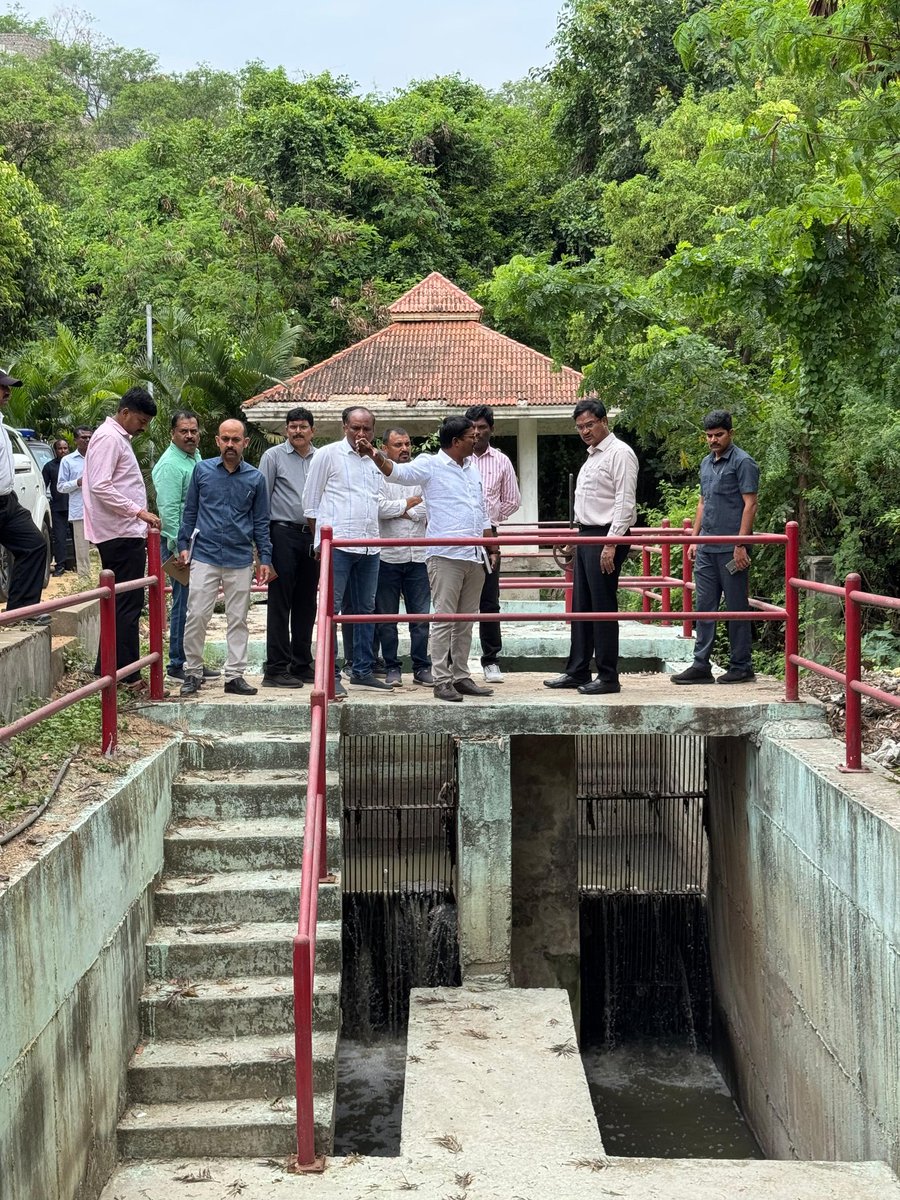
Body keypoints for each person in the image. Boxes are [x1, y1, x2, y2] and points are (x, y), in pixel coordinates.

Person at [358, 416, 496, 703]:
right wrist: (375, 455)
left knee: (466, 620)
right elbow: (396, 473)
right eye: (471, 435)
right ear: (456, 441)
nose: (477, 438)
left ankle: (460, 675)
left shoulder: (472, 468)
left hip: (474, 553)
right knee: (444, 618)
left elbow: (480, 509)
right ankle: (442, 679)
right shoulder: (430, 464)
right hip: (445, 555)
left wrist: (491, 545)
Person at [544, 397, 638, 696]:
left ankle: (609, 676)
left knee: (602, 607)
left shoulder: (619, 453)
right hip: (586, 535)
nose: (585, 430)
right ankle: (578, 669)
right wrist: (577, 539)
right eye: (580, 426)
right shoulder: (592, 456)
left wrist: (611, 543)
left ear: (604, 422)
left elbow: (625, 501)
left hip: (606, 536)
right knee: (581, 606)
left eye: (589, 424)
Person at [178, 418, 273, 697]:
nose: (230, 445)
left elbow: (261, 522)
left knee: (238, 619)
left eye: (236, 440)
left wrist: (264, 558)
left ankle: (234, 676)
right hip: (204, 554)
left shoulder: (255, 478)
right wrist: (183, 544)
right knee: (196, 615)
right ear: (217, 441)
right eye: (225, 439)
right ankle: (193, 672)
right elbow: (190, 511)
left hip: (239, 557)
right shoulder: (202, 471)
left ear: (245, 442)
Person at [302, 406, 392, 695]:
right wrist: (320, 543)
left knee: (365, 609)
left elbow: (377, 501)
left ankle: (363, 670)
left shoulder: (377, 461)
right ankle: (331, 674)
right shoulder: (328, 455)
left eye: (367, 429)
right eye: (356, 428)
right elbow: (311, 501)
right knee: (331, 608)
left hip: (370, 544)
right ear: (345, 427)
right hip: (337, 544)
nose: (361, 434)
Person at [672, 410, 759, 685]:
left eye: (718, 435)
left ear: (730, 433)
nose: (713, 440)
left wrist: (741, 544)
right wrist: (695, 539)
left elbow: (750, 504)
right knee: (704, 607)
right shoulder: (705, 464)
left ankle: (741, 665)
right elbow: (702, 502)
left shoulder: (744, 462)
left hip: (732, 549)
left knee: (736, 608)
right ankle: (701, 665)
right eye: (709, 436)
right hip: (707, 548)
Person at [82, 390, 160, 688]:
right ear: (125, 412)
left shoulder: (115, 438)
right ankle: (126, 674)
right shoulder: (109, 438)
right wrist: (137, 511)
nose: (143, 427)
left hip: (123, 530)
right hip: (120, 532)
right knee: (127, 603)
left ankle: (108, 666)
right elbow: (101, 485)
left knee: (120, 602)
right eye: (141, 420)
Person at [151, 409, 219, 684]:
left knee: (197, 604)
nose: (190, 436)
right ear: (173, 433)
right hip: (180, 546)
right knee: (184, 605)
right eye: (184, 431)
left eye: (193, 431)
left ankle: (193, 662)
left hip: (198, 543)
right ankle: (178, 664)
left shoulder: (195, 458)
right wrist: (179, 548)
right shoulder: (171, 465)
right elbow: (168, 510)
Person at [259, 406, 319, 688]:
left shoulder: (321, 458)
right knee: (281, 602)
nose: (297, 431)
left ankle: (301, 662)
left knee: (307, 602)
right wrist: (262, 547)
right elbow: (261, 501)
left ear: (312, 430)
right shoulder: (273, 457)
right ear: (286, 430)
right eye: (292, 426)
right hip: (282, 534)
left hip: (313, 536)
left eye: (303, 426)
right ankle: (276, 668)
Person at [465, 405, 520, 683]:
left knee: (489, 600)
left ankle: (491, 659)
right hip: (458, 535)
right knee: (454, 601)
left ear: (491, 429)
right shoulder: (456, 458)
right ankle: (453, 661)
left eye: (482, 427)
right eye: (472, 426)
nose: (476, 432)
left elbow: (513, 499)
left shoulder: (501, 461)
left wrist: (490, 518)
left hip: (489, 537)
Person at [374, 427, 433, 687]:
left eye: (407, 443)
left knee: (420, 618)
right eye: (398, 444)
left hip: (419, 555)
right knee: (387, 619)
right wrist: (409, 504)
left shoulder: (421, 474)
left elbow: (429, 507)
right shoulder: (377, 475)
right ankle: (392, 668)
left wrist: (402, 509)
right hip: (388, 556)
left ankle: (422, 667)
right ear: (385, 448)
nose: (405, 448)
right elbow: (379, 509)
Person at [0, 369, 46, 614]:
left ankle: (20, 613)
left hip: (7, 502)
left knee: (35, 544)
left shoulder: (3, 427)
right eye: (3, 387)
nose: (7, 392)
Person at [57, 426, 93, 577]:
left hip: (99, 509)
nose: (87, 440)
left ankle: (107, 579)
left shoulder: (98, 456)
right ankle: (85, 581)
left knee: (106, 547)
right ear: (76, 440)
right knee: (82, 550)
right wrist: (77, 482)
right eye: (83, 437)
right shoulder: (68, 461)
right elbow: (60, 487)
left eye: (89, 437)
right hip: (79, 510)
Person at [43, 438, 70, 575]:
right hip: (58, 508)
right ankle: (60, 566)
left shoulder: (73, 464)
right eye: (60, 448)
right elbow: (43, 487)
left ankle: (74, 564)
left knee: (78, 537)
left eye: (65, 448)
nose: (63, 451)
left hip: (75, 507)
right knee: (59, 538)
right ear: (55, 451)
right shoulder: (49, 467)